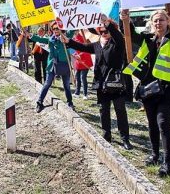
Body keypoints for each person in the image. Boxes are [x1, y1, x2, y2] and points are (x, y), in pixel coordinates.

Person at [121, 9, 170, 177]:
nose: (158, 23)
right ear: (152, 23)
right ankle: (155, 155)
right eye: (155, 20)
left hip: (169, 90)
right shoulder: (147, 38)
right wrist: (126, 20)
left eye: (162, 20)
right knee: (152, 124)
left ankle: (168, 162)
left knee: (163, 123)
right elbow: (130, 35)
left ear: (167, 22)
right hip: (149, 88)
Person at [60, 15, 133, 151]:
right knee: (103, 110)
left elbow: (117, 36)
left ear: (112, 30)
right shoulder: (97, 44)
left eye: (106, 31)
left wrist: (108, 23)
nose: (104, 34)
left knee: (120, 111)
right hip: (101, 83)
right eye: (101, 31)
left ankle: (125, 139)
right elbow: (83, 47)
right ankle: (106, 135)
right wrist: (68, 41)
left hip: (115, 82)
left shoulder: (118, 43)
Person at [27, 22, 74, 112]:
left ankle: (70, 103)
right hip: (52, 65)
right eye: (54, 29)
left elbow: (72, 30)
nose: (56, 30)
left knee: (66, 85)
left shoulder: (66, 37)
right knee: (47, 84)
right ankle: (39, 102)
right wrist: (30, 35)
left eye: (57, 28)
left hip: (64, 65)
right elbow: (39, 39)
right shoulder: (50, 39)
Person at [71, 30, 93, 100]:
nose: (75, 32)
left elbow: (86, 49)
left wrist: (80, 55)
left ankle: (85, 94)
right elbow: (73, 50)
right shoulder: (74, 39)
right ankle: (77, 93)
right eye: (74, 31)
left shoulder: (83, 38)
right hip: (78, 61)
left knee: (83, 78)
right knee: (77, 77)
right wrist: (75, 54)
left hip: (85, 61)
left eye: (76, 31)